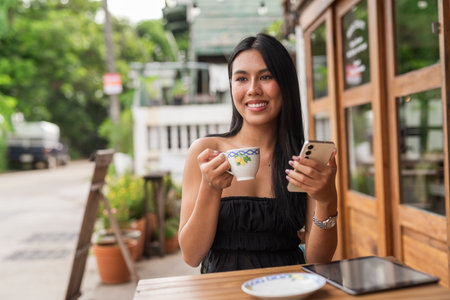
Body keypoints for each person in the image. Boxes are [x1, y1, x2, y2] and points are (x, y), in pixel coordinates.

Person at [178, 33, 338, 273]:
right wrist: (210, 188)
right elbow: (191, 255)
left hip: (288, 290)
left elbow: (318, 261)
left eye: (265, 77)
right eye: (241, 78)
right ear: (231, 86)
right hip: (222, 293)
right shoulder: (206, 153)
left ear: (285, 84)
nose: (253, 90)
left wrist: (327, 199)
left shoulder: (302, 161)